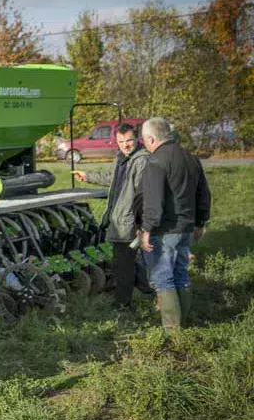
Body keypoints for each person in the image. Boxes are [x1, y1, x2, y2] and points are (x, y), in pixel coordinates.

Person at [138, 117, 211, 331]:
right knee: (181, 274)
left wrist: (146, 229)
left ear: (151, 138)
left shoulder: (156, 162)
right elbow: (203, 194)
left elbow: (153, 202)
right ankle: (184, 323)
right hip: (186, 228)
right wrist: (200, 222)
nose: (144, 144)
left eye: (144, 140)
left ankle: (172, 331)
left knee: (162, 278)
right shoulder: (190, 158)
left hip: (165, 230)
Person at [73, 122, 150, 306]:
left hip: (129, 221)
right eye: (121, 141)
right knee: (123, 261)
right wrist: (87, 176)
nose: (125, 144)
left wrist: (141, 225)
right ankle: (154, 290)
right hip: (118, 219)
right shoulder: (122, 158)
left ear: (137, 139)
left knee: (123, 264)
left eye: (129, 140)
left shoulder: (141, 161)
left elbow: (143, 195)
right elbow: (111, 178)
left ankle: (124, 303)